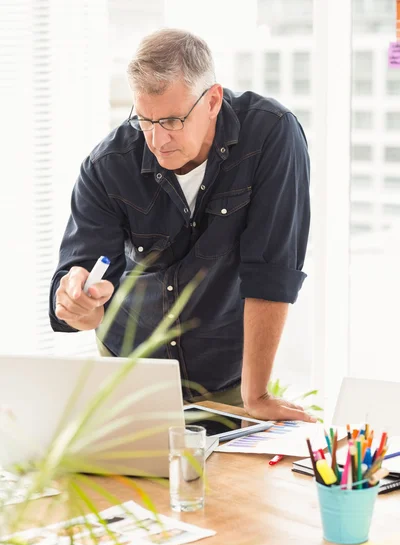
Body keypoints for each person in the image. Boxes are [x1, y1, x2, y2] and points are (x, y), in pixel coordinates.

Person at [49, 28, 314, 423]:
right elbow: (80, 273)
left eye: (172, 120)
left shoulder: (271, 135)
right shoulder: (107, 165)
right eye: (144, 120)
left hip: (228, 382)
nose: (157, 140)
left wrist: (256, 394)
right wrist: (78, 307)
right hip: (130, 384)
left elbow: (271, 271)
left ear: (212, 100)